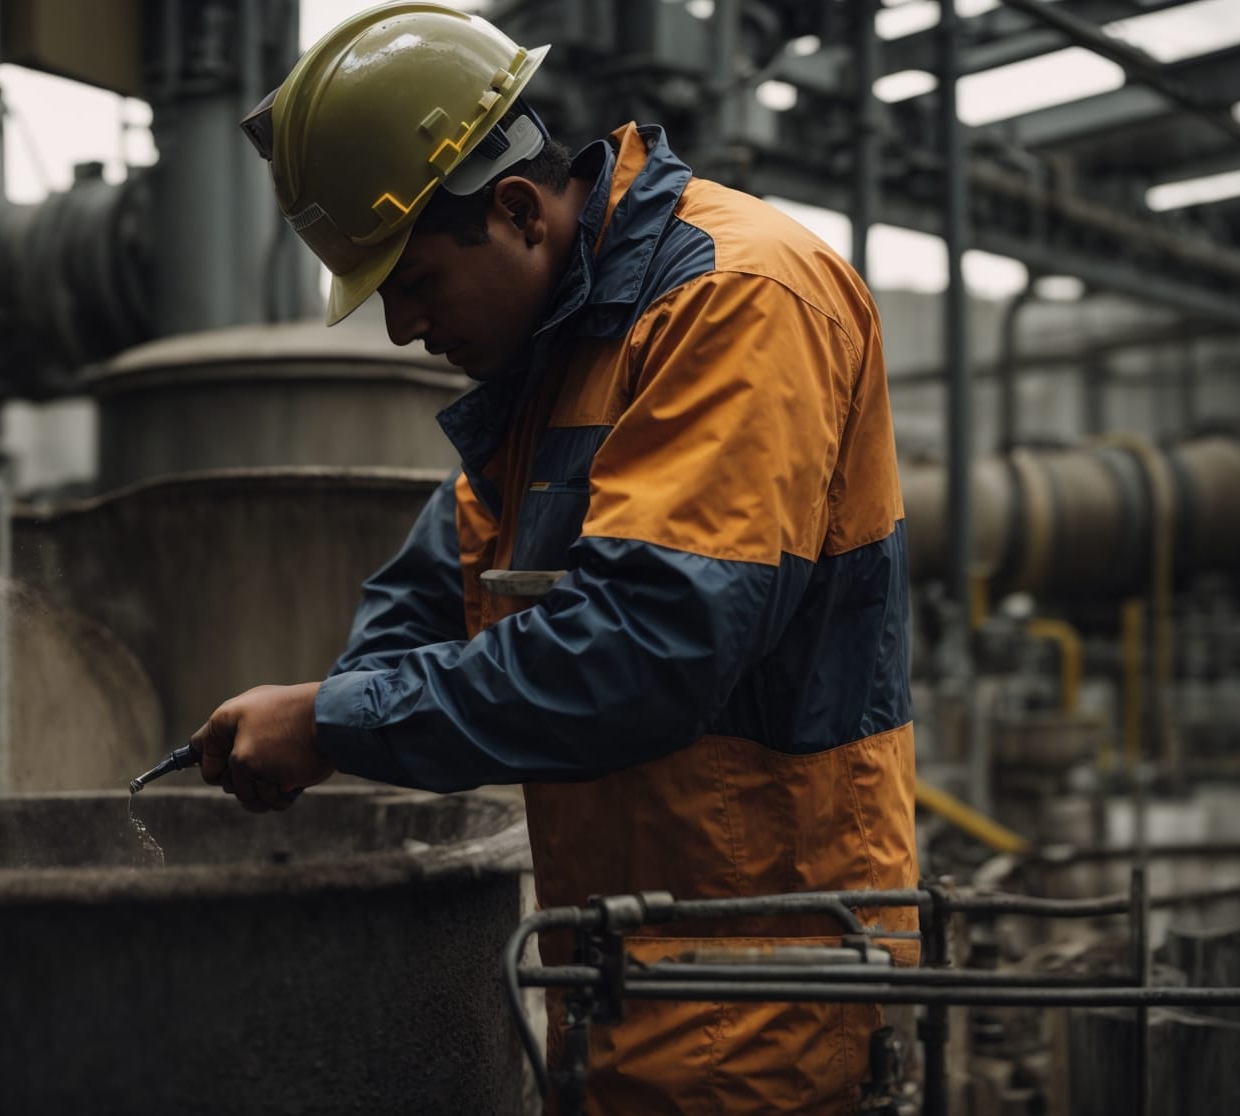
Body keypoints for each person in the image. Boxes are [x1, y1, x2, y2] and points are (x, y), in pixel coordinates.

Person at [200, 4, 918, 1112]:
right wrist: (343, 705)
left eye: (415, 282)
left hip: (765, 988)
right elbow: (441, 581)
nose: (399, 329)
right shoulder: (557, 354)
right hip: (627, 968)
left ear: (519, 211)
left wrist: (334, 721)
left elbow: (647, 652)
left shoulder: (733, 303)